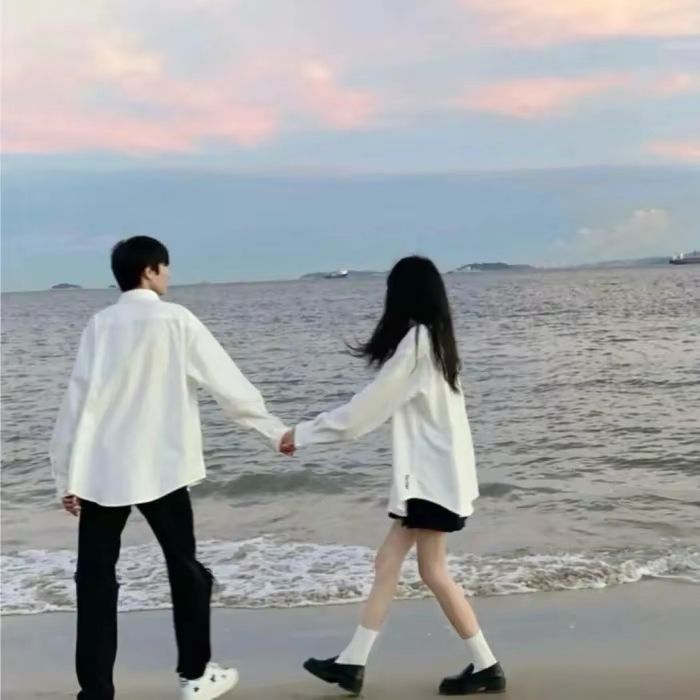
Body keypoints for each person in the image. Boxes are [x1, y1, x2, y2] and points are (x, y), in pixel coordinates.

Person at [51, 236, 289, 700]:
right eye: (166, 268)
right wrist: (273, 430)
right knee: (186, 569)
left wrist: (66, 476)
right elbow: (227, 383)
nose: (169, 276)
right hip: (160, 468)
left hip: (102, 472)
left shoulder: (100, 325)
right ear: (149, 271)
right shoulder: (176, 320)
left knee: (95, 582)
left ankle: (96, 692)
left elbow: (76, 404)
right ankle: (195, 676)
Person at [280, 256, 506, 696]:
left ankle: (486, 665)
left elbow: (364, 412)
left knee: (432, 571)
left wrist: (302, 434)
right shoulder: (435, 342)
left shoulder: (418, 344)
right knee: (392, 563)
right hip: (436, 481)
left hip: (431, 484)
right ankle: (354, 662)